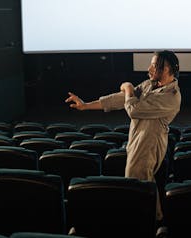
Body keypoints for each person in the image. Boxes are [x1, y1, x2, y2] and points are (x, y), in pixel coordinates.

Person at [64, 50, 181, 220]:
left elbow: (133, 109)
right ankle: (156, 219)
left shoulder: (171, 97)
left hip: (148, 144)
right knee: (144, 183)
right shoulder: (150, 84)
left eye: (155, 65)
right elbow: (122, 99)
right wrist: (86, 105)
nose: (149, 68)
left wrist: (127, 86)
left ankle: (146, 222)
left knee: (136, 184)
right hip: (137, 140)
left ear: (167, 69)